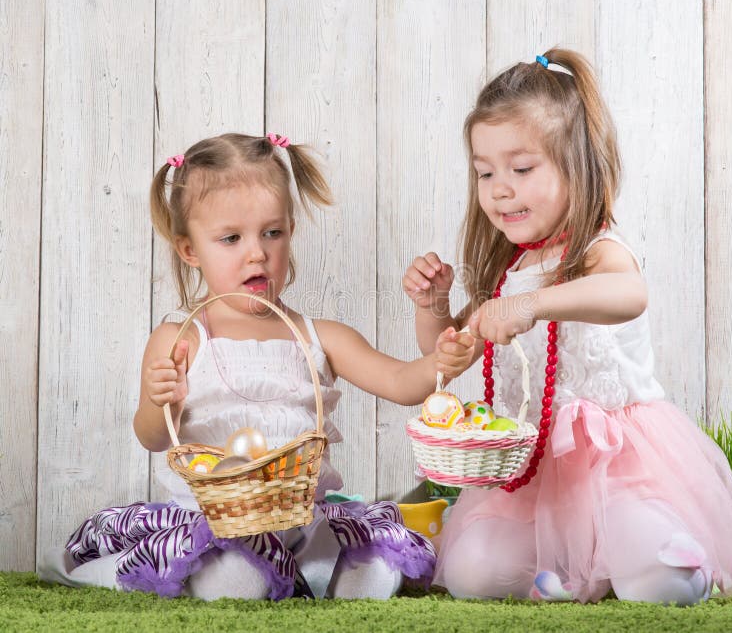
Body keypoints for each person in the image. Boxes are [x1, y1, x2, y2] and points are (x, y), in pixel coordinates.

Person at [39, 131, 474, 601]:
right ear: (190, 250)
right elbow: (152, 436)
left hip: (304, 522)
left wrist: (436, 332)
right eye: (230, 238)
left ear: (290, 229)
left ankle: (306, 571)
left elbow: (404, 382)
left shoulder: (318, 336)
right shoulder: (180, 338)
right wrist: (164, 399)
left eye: (273, 232)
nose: (257, 252)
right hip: (216, 524)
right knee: (236, 581)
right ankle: (244, 575)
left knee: (374, 578)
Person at [402, 49, 732, 605]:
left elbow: (629, 295)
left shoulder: (599, 252)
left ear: (578, 166)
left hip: (617, 468)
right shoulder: (509, 271)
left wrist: (532, 305)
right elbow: (446, 357)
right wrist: (433, 308)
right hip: (531, 478)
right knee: (474, 574)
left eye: (522, 169)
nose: (500, 188)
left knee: (664, 582)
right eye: (485, 172)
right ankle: (575, 574)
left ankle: (632, 561)